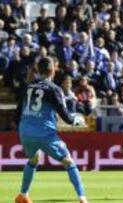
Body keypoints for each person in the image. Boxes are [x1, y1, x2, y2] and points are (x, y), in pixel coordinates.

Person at [14, 57, 88, 203]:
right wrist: (77, 121)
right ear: (53, 70)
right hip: (44, 132)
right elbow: (66, 117)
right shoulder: (54, 89)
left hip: (25, 130)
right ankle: (82, 198)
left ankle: (23, 195)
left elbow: (17, 113)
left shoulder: (27, 86)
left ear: (38, 70)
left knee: (34, 159)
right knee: (68, 161)